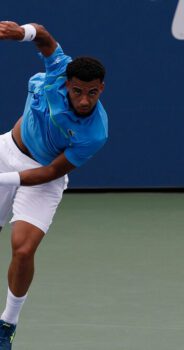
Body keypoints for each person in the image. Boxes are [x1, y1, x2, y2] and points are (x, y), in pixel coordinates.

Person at [0, 21, 108, 349]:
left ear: (101, 88)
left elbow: (50, 172)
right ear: (68, 84)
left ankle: (7, 323)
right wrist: (23, 33)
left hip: (43, 177)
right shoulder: (59, 68)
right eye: (78, 91)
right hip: (7, 151)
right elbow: (44, 36)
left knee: (23, 248)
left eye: (92, 93)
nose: (85, 100)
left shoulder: (95, 133)